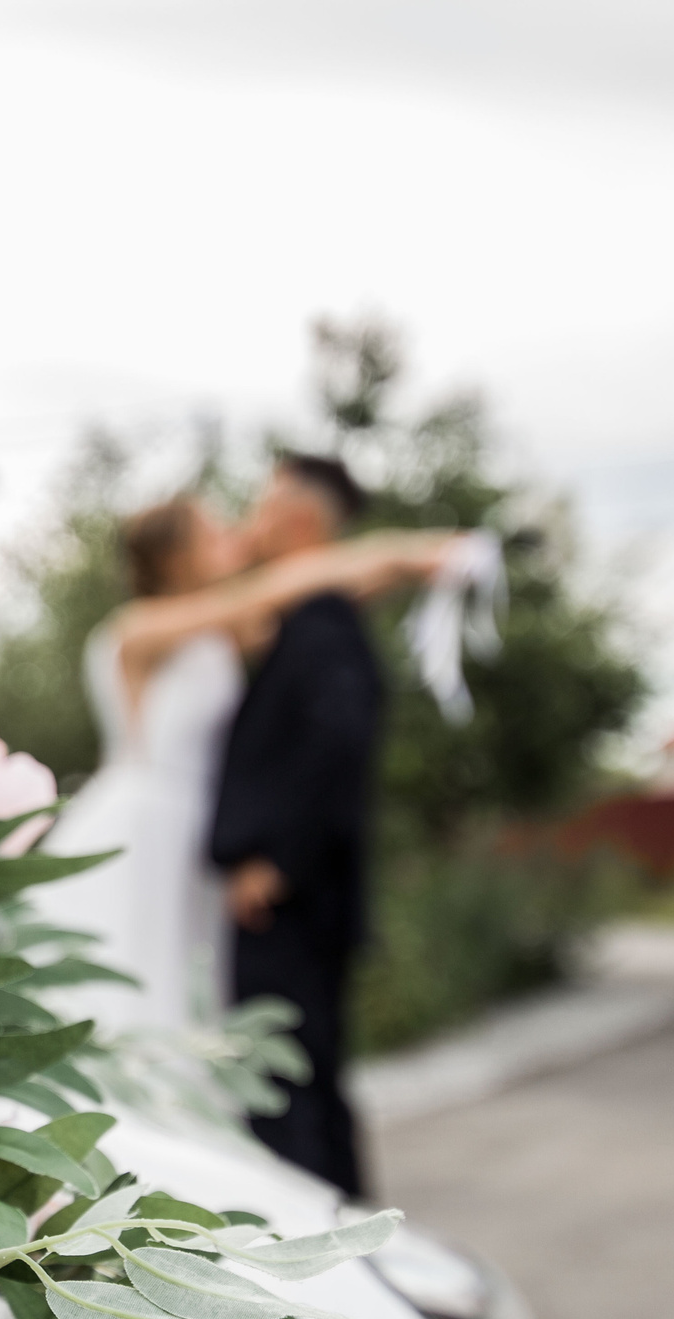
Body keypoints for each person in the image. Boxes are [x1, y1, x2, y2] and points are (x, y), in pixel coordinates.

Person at [37, 476, 449, 1101]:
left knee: (185, 994)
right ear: (178, 556)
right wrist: (413, 551)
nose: (235, 537)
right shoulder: (142, 628)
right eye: (217, 530)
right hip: (140, 830)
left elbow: (334, 589)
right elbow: (286, 585)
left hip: (192, 834)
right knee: (136, 988)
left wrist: (423, 568)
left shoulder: (225, 630)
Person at [207, 453, 394, 1198]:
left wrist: (275, 860)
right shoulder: (294, 621)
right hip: (292, 901)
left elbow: (338, 744)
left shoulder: (323, 623)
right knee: (299, 1078)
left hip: (294, 902)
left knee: (291, 1082)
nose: (251, 519)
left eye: (263, 504)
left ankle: (329, 1257)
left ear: (301, 521)